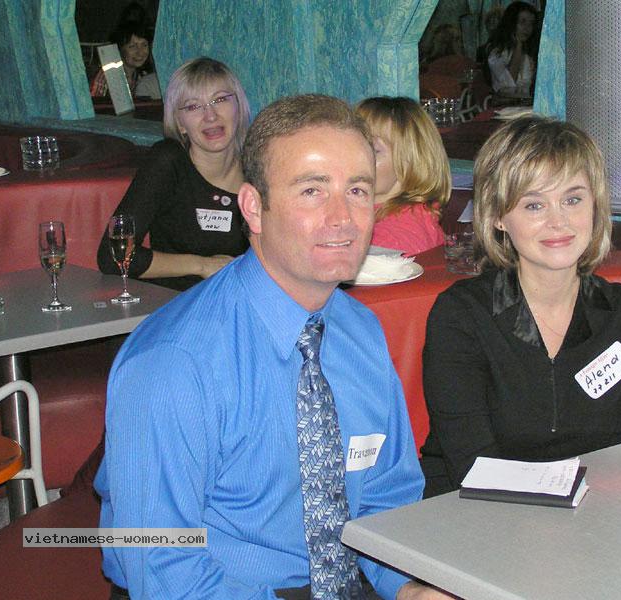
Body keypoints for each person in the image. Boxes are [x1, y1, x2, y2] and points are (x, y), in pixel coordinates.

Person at [94, 93, 451, 600]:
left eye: (356, 189)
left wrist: (408, 587)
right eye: (311, 191)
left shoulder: (360, 332)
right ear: (253, 208)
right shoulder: (174, 362)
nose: (343, 217)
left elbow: (386, 496)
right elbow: (162, 566)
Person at [419, 116, 621, 498]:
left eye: (573, 199)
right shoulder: (462, 317)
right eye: (534, 205)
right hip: (473, 512)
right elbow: (475, 465)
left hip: (591, 512)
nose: (558, 221)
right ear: (498, 217)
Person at [96, 57, 250, 290]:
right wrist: (201, 265)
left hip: (238, 299)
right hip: (175, 300)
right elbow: (113, 255)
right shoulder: (168, 161)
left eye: (219, 100)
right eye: (193, 106)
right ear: (180, 124)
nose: (210, 115)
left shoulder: (258, 166)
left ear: (238, 106)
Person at [355, 97, 451, 256]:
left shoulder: (392, 239)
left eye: (373, 150)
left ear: (409, 162)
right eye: (353, 146)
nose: (354, 158)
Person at [89, 23, 160, 100]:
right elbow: (95, 103)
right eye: (132, 46)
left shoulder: (142, 75)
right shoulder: (107, 75)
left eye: (144, 45)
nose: (140, 52)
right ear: (120, 49)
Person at [486, 1, 540, 94]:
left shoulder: (529, 54)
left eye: (531, 23)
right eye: (522, 22)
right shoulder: (497, 55)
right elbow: (508, 86)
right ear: (512, 23)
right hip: (506, 102)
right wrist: (518, 46)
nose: (527, 28)